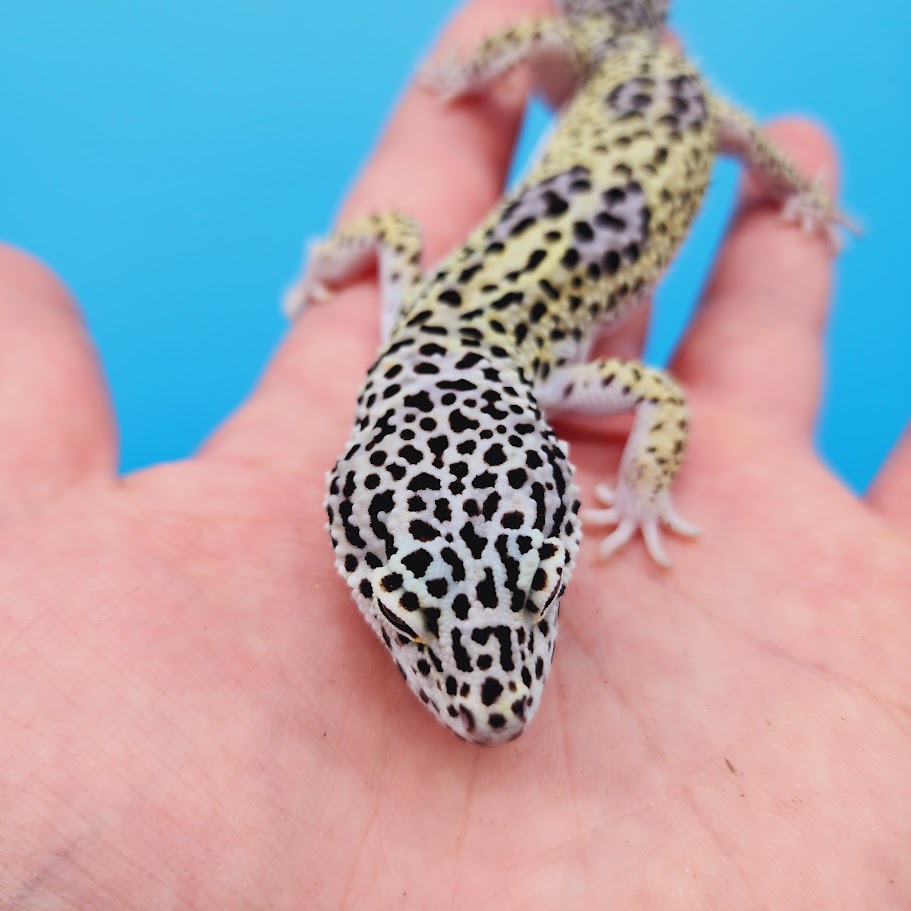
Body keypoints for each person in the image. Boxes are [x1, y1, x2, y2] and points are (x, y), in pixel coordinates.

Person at [1, 1, 908, 906]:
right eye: (417, 623)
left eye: (532, 593)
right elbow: (389, 234)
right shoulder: (430, 321)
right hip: (608, 124)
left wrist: (644, 490)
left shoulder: (486, 348)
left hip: (669, 111)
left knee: (745, 138)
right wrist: (348, 241)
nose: (497, 699)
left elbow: (656, 395)